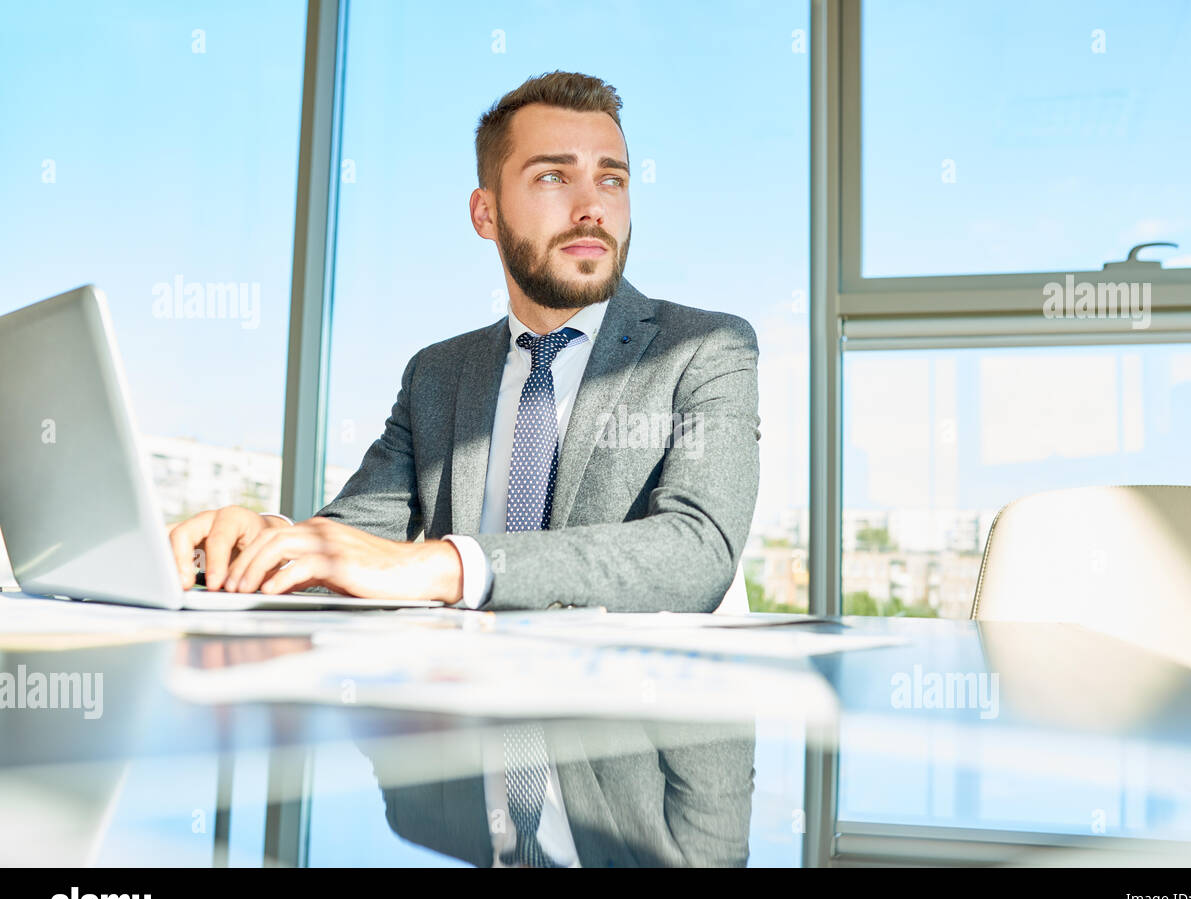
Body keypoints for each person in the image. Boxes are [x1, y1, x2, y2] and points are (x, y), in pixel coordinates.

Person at [167, 69, 761, 614]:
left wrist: (448, 566)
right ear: (486, 213)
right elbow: (357, 539)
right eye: (553, 176)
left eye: (612, 179)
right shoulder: (436, 374)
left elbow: (698, 553)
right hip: (463, 710)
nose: (592, 208)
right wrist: (267, 540)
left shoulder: (705, 348)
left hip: (639, 719)